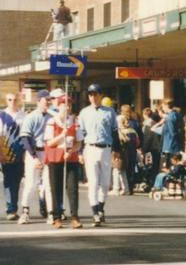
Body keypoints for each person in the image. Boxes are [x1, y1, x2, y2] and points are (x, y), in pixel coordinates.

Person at [78, 84, 118, 227]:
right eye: (90, 94)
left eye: (95, 94)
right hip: (90, 148)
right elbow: (80, 134)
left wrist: (117, 150)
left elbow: (114, 132)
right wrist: (79, 151)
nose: (93, 97)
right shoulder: (84, 112)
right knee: (93, 182)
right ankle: (95, 212)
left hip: (105, 148)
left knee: (106, 183)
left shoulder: (110, 112)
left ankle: (101, 207)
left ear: (100, 95)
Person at [43, 95, 83, 229]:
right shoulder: (51, 121)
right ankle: (56, 217)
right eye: (64, 104)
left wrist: (71, 151)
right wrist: (62, 135)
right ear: (58, 106)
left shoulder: (75, 121)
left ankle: (75, 216)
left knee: (72, 188)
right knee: (56, 188)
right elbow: (49, 142)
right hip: (55, 157)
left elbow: (79, 142)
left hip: (69, 157)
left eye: (69, 105)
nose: (67, 107)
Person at [18, 90, 53, 224]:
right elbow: (25, 139)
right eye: (46, 100)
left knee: (48, 185)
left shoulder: (51, 116)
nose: (48, 102)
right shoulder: (31, 116)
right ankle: (25, 212)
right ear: (38, 101)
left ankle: (51, 213)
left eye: (49, 100)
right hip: (34, 152)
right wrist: (35, 157)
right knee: (31, 184)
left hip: (48, 152)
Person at [0, 105, 23, 221]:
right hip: (6, 153)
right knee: (8, 181)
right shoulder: (2, 116)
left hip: (19, 154)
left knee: (17, 182)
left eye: (14, 100)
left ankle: (14, 206)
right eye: (9, 100)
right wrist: (1, 154)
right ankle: (10, 209)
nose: (12, 102)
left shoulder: (23, 115)